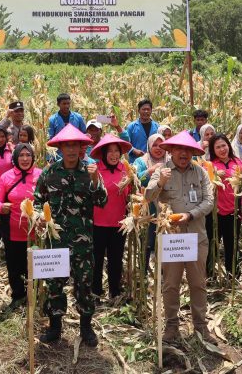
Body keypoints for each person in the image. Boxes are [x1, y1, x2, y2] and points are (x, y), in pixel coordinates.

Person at [34, 124, 107, 346]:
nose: (71, 150)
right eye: (67, 145)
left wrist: (95, 182)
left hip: (83, 241)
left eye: (75, 145)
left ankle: (86, 327)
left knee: (84, 284)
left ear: (81, 147)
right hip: (56, 241)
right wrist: (37, 215)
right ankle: (55, 326)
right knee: (55, 284)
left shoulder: (90, 172)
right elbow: (37, 199)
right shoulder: (49, 172)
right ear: (60, 148)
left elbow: (102, 202)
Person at [145, 130, 215, 343]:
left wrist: (190, 214)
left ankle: (201, 325)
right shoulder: (162, 171)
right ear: (171, 151)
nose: (183, 153)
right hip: (172, 238)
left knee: (198, 283)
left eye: (187, 150)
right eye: (179, 149)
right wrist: (159, 183)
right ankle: (172, 325)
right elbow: (148, 197)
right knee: (171, 284)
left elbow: (209, 201)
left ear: (193, 152)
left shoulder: (200, 173)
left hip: (196, 237)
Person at [0, 143, 41, 310]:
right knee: (14, 266)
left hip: (35, 232)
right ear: (15, 157)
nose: (25, 159)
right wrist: (1, 207)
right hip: (12, 232)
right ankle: (18, 296)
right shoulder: (6, 177)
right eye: (21, 155)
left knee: (33, 266)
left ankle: (34, 296)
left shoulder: (40, 175)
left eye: (28, 155)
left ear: (33, 157)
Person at [90, 134, 132, 299]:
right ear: (103, 153)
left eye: (117, 151)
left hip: (119, 223)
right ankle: (96, 292)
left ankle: (115, 291)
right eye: (110, 151)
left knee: (116, 260)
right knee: (97, 260)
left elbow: (133, 193)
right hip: (98, 223)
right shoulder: (95, 169)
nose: (114, 155)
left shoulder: (126, 170)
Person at [207, 134, 242, 278]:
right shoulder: (210, 165)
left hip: (234, 211)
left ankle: (233, 274)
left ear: (229, 145)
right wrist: (215, 175)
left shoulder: (238, 163)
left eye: (224, 145)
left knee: (232, 244)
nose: (222, 149)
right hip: (215, 212)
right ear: (213, 150)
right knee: (213, 243)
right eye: (218, 147)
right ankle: (210, 273)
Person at [134, 134, 168, 266]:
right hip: (147, 207)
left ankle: (162, 270)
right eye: (155, 145)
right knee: (147, 240)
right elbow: (136, 181)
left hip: (165, 208)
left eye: (161, 145)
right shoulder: (141, 162)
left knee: (164, 239)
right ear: (149, 145)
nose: (158, 148)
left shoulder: (170, 161)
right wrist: (149, 171)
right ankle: (144, 269)